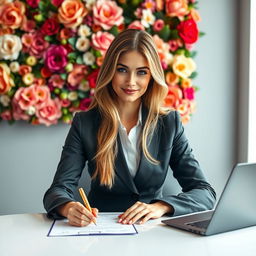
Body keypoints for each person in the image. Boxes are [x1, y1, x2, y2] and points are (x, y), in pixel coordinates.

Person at [43, 29, 216, 227]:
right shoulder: (85, 123)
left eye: (141, 72)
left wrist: (160, 206)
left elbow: (204, 192)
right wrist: (68, 207)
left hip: (152, 233)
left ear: (152, 76)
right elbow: (57, 190)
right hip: (101, 231)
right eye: (122, 69)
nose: (131, 82)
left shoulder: (169, 123)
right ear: (110, 71)